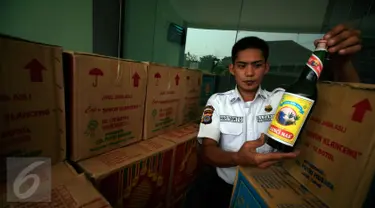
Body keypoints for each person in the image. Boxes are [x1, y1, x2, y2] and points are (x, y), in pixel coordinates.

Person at [197, 24, 362, 208]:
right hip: (224, 190)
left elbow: (344, 105)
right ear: (232, 69)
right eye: (242, 66)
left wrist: (343, 65)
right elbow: (207, 151)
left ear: (266, 68)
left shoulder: (283, 99)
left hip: (270, 191)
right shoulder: (218, 102)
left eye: (257, 65)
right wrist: (237, 158)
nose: (249, 73)